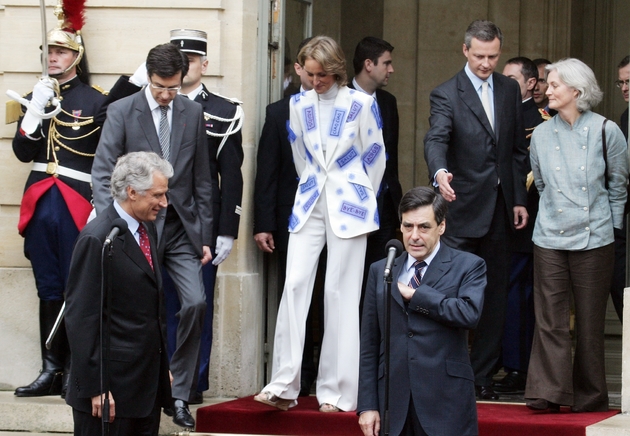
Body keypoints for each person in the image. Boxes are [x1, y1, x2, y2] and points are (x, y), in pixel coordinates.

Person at [10, 0, 140, 398]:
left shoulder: (96, 98)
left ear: (77, 55)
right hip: (40, 201)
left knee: (78, 287)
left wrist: (104, 205)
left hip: (77, 201)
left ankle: (77, 371)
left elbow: (110, 153)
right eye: (48, 51)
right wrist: (34, 112)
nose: (52, 57)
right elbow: (23, 153)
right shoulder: (35, 94)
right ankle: (50, 368)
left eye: (61, 51)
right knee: (47, 286)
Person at [254, 35, 386, 412]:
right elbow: (300, 157)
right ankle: (283, 383)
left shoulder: (361, 103)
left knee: (340, 294)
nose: (316, 81)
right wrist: (316, 185)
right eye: (310, 74)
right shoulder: (298, 105)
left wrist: (360, 195)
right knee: (294, 284)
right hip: (310, 201)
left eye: (323, 74)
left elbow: (375, 155)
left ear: (337, 70)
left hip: (351, 206)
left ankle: (338, 391)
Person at [91, 43, 213, 428]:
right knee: (140, 312)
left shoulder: (192, 112)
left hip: (179, 228)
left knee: (194, 303)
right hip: (136, 227)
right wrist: (115, 224)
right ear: (148, 76)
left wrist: (205, 235)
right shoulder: (122, 111)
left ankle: (179, 396)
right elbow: (102, 172)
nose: (166, 95)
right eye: (160, 86)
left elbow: (203, 179)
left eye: (173, 88)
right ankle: (142, 388)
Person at [423, 20, 529, 400]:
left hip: (500, 210)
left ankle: (482, 374)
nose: (487, 63)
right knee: (450, 295)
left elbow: (516, 151)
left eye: (493, 56)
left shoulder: (508, 90)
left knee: (495, 297)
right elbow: (436, 138)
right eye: (480, 56)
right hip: (461, 209)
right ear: (465, 51)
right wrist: (439, 173)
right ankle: (448, 373)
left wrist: (518, 198)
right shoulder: (446, 94)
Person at [525, 58, 628, 413]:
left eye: (553, 85)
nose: (546, 90)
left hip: (596, 237)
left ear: (576, 91)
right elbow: (540, 184)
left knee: (589, 321)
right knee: (550, 320)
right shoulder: (540, 134)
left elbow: (618, 185)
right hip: (549, 237)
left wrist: (611, 227)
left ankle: (589, 396)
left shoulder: (606, 130)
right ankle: (549, 393)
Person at [358, 186, 485, 436]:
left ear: (442, 226)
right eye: (408, 226)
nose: (414, 236)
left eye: (424, 227)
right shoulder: (380, 270)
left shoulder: (468, 265)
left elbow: (469, 313)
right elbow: (369, 345)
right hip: (392, 405)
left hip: (446, 402)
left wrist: (416, 295)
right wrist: (367, 405)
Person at [64, 152, 173, 436]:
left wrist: (163, 368)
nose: (164, 203)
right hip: (109, 395)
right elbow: (82, 318)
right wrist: (95, 387)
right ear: (132, 192)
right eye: (158, 195)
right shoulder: (98, 238)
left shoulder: (145, 228)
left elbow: (149, 308)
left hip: (145, 389)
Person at [163, 29, 244, 405]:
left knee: (196, 305)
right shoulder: (154, 101)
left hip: (200, 227)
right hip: (157, 219)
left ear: (205, 65)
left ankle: (191, 383)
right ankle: (160, 379)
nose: (183, 67)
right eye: (176, 60)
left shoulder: (224, 110)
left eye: (190, 60)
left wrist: (228, 229)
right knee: (157, 304)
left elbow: (232, 172)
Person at [253, 37, 323, 397]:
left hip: (333, 219)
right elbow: (267, 170)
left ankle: (321, 371)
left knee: (329, 299)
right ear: (298, 70)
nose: (316, 80)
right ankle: (296, 373)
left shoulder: (343, 107)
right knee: (295, 295)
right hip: (292, 218)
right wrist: (263, 223)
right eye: (310, 72)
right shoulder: (279, 111)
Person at [494, 57, 545, 393]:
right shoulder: (498, 112)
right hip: (494, 219)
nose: (506, 84)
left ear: (530, 84)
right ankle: (500, 357)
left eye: (513, 79)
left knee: (519, 295)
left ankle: (517, 364)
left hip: (525, 220)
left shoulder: (540, 120)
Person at [349, 37, 403, 304]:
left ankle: (377, 343)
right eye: (387, 63)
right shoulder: (340, 98)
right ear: (368, 65)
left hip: (384, 208)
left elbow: (389, 159)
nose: (391, 70)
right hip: (349, 209)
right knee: (351, 283)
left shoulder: (389, 102)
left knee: (381, 281)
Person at [610, 55, 630, 323]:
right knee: (619, 284)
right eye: (621, 82)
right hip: (624, 218)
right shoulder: (625, 117)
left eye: (629, 82)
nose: (624, 88)